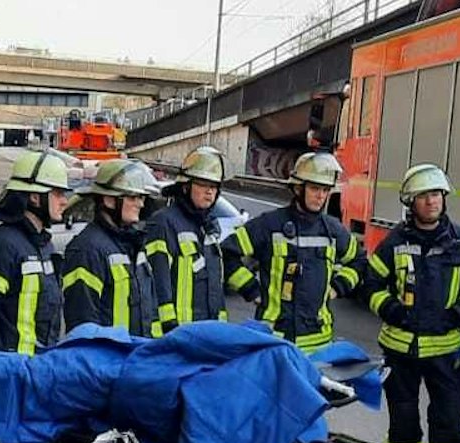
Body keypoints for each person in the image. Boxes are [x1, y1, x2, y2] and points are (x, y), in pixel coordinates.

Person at [358, 163, 460, 443]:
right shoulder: (395, 243)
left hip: (447, 350)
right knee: (403, 423)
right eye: (423, 196)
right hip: (401, 350)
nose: (431, 202)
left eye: (436, 194)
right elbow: (371, 283)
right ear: (410, 202)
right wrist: (390, 308)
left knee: (450, 419)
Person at [223, 151, 360, 350]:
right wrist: (251, 290)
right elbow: (226, 254)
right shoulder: (269, 224)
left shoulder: (333, 230)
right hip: (273, 340)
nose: (321, 196)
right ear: (298, 188)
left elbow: (359, 260)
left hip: (318, 344)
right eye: (314, 188)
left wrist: (338, 287)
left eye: (325, 190)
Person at [0, 149, 72, 354]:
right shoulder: (1, 246)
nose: (64, 201)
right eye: (58, 193)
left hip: (36, 368)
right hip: (8, 369)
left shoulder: (44, 245)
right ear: (35, 197)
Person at [61, 159, 165, 335]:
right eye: (132, 197)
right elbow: (83, 323)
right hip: (111, 353)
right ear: (109, 200)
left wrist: (152, 348)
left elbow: (150, 310)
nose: (140, 204)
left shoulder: (134, 244)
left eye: (141, 198)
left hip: (139, 351)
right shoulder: (87, 250)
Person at [145, 146, 232, 331]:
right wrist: (168, 331)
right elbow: (157, 283)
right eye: (203, 184)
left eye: (214, 186)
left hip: (210, 333)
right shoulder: (163, 223)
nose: (210, 191)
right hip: (179, 335)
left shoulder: (208, 226)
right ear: (186, 186)